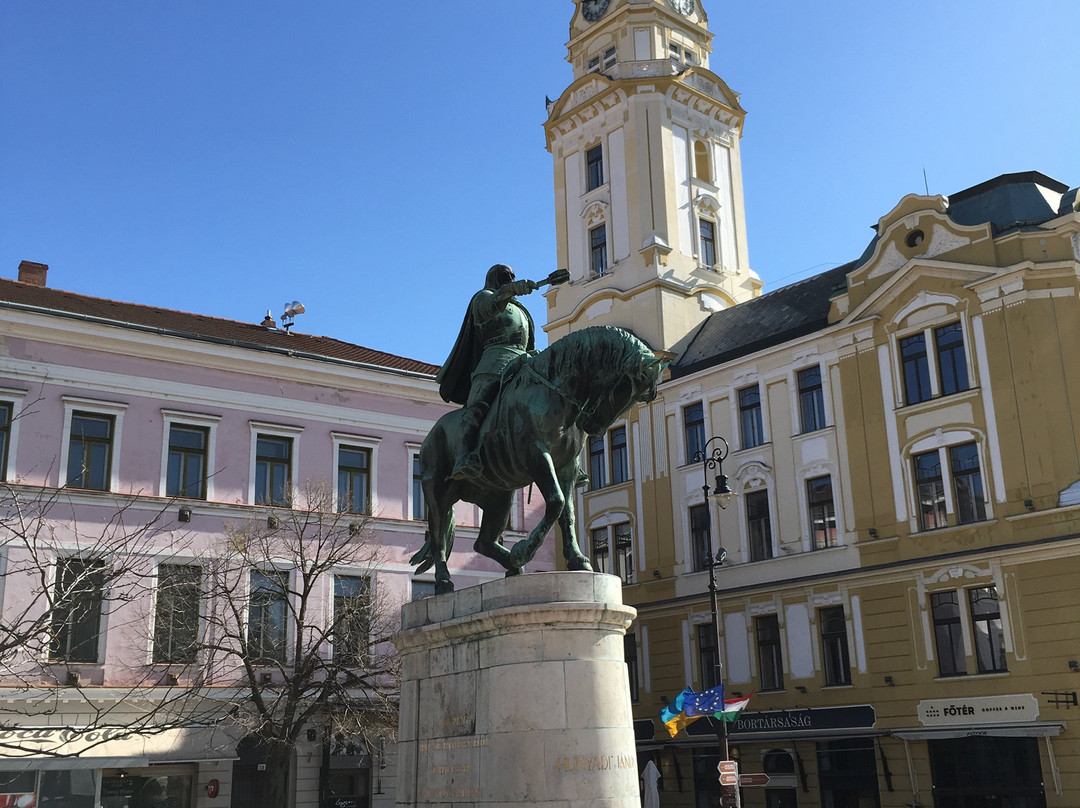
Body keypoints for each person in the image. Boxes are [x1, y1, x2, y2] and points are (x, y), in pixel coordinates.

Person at [437, 264, 540, 480]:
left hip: (524, 361)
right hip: (495, 360)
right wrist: (512, 289)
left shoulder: (519, 308)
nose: (509, 279)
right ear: (493, 278)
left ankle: (564, 459)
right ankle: (464, 458)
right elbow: (488, 309)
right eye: (505, 276)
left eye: (512, 276)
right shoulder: (483, 297)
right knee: (478, 406)